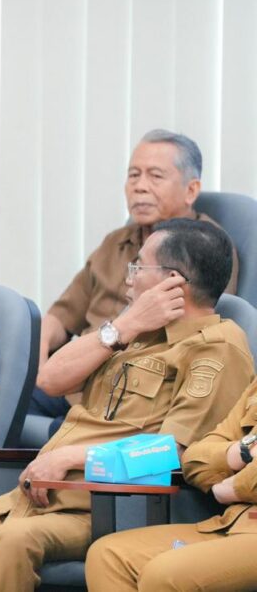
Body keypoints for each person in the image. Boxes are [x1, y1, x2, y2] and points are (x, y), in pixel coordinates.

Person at [0, 218, 253, 592]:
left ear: (172, 282)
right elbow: (50, 380)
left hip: (102, 509)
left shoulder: (216, 347)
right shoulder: (133, 332)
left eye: (139, 266)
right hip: (28, 499)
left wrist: (69, 458)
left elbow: (172, 453)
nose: (128, 277)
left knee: (13, 540)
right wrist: (124, 326)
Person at [31, 129, 239, 429]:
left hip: (128, 388)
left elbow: (188, 326)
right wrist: (38, 356)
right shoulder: (114, 242)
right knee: (3, 401)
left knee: (65, 433)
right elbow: (60, 318)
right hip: (78, 372)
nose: (140, 187)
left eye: (155, 176)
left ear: (191, 190)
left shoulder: (205, 251)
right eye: (133, 175)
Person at [85, 376, 257, 591]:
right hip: (232, 523)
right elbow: (194, 461)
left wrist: (232, 488)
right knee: (108, 555)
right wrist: (244, 450)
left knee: (163, 574)